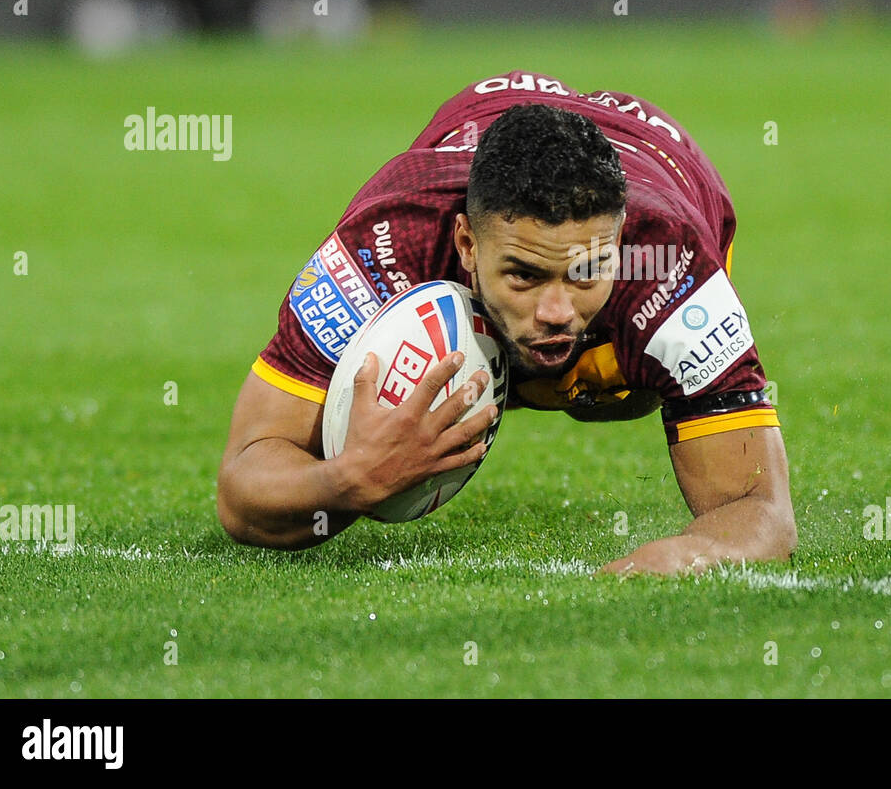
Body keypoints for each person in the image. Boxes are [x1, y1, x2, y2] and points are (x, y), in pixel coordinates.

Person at [217, 71, 796, 575]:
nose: (557, 312)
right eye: (523, 275)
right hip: (479, 116)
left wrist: (696, 555)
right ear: (466, 243)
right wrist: (349, 479)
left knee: (625, 387)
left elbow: (762, 512)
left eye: (586, 273)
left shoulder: (671, 265)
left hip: (662, 153)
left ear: (620, 243)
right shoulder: (390, 245)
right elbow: (243, 490)